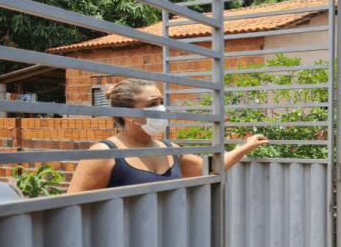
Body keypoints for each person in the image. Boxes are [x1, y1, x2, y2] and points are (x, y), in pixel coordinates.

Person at [67, 79, 268, 193]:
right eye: (153, 104)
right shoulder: (104, 154)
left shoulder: (171, 151)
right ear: (128, 114)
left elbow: (212, 167)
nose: (161, 109)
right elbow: (72, 210)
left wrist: (245, 147)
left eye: (161, 102)